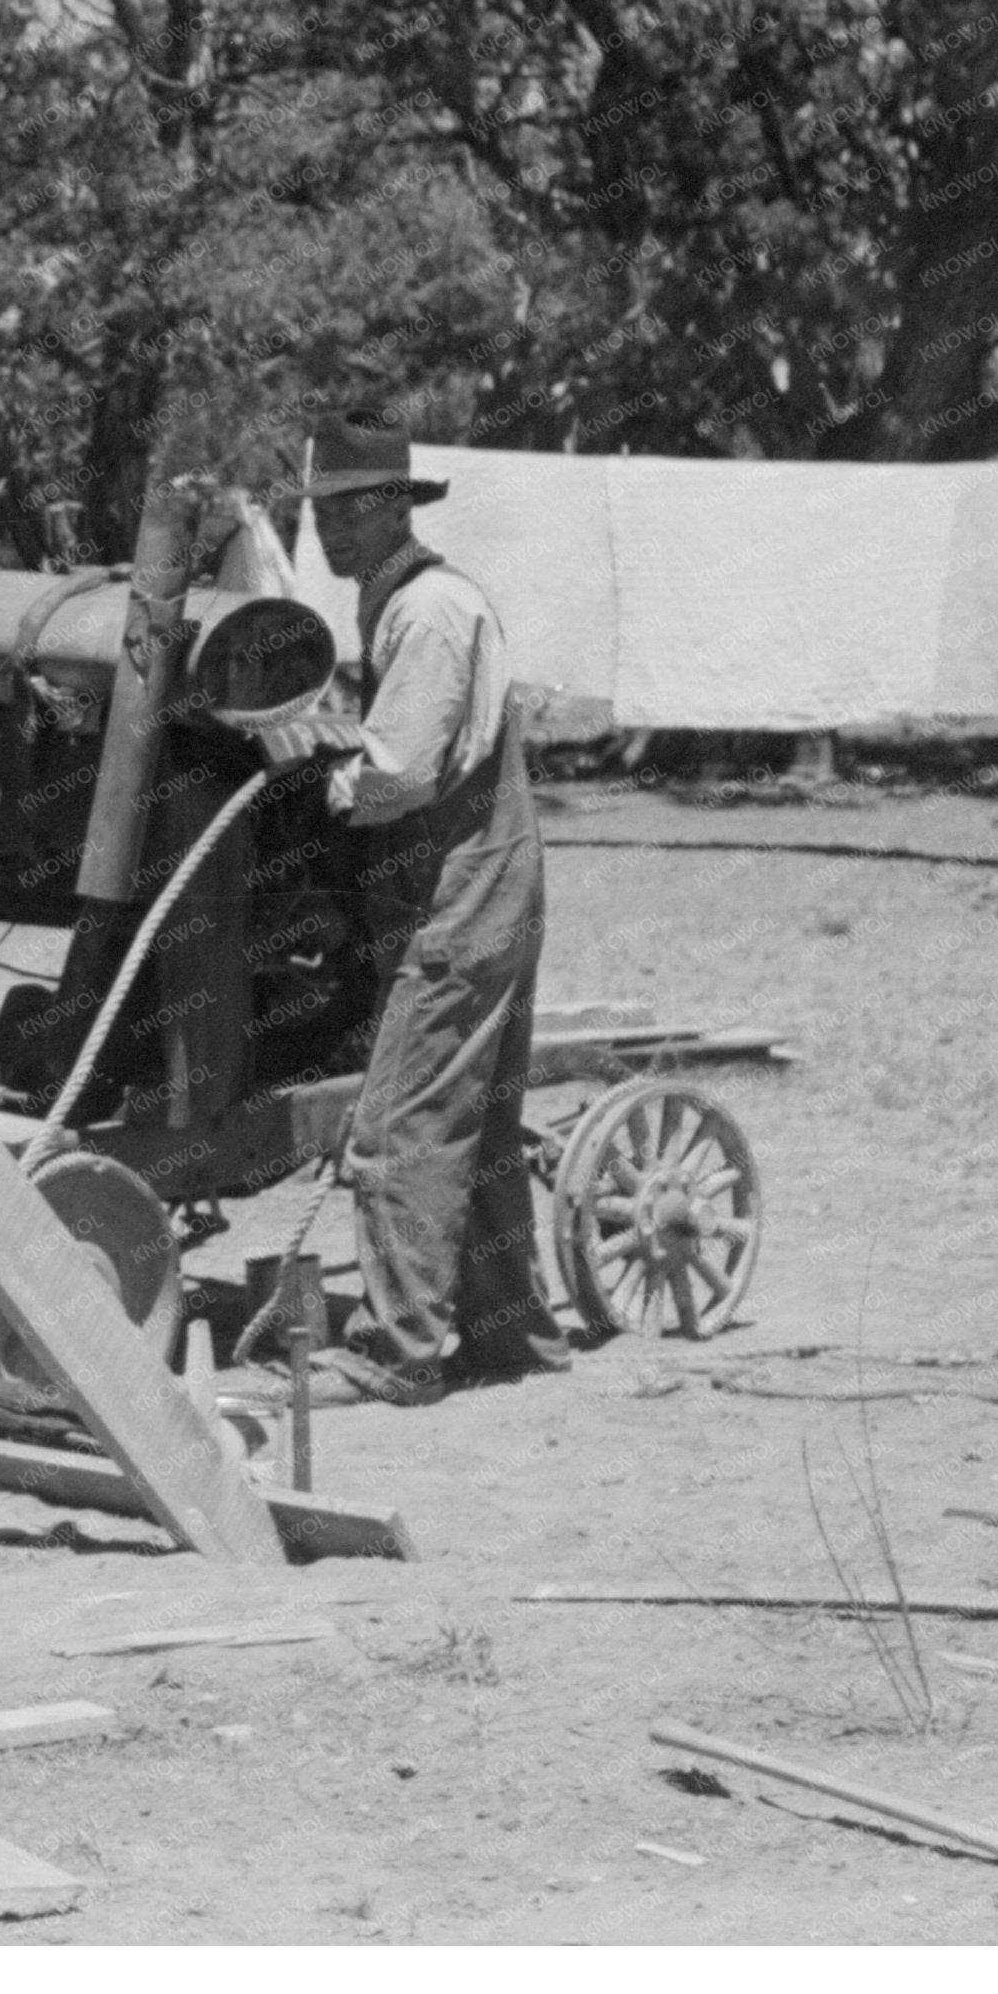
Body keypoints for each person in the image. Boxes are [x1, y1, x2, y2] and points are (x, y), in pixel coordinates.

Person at [293, 410, 569, 1408]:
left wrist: (319, 785)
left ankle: (397, 1349)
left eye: (347, 508)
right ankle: (509, 1335)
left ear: (388, 506)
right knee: (478, 1125)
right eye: (319, 509)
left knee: (399, 1120)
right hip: (480, 878)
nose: (327, 528)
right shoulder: (401, 599)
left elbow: (400, 769)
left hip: (462, 886)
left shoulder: (425, 608)